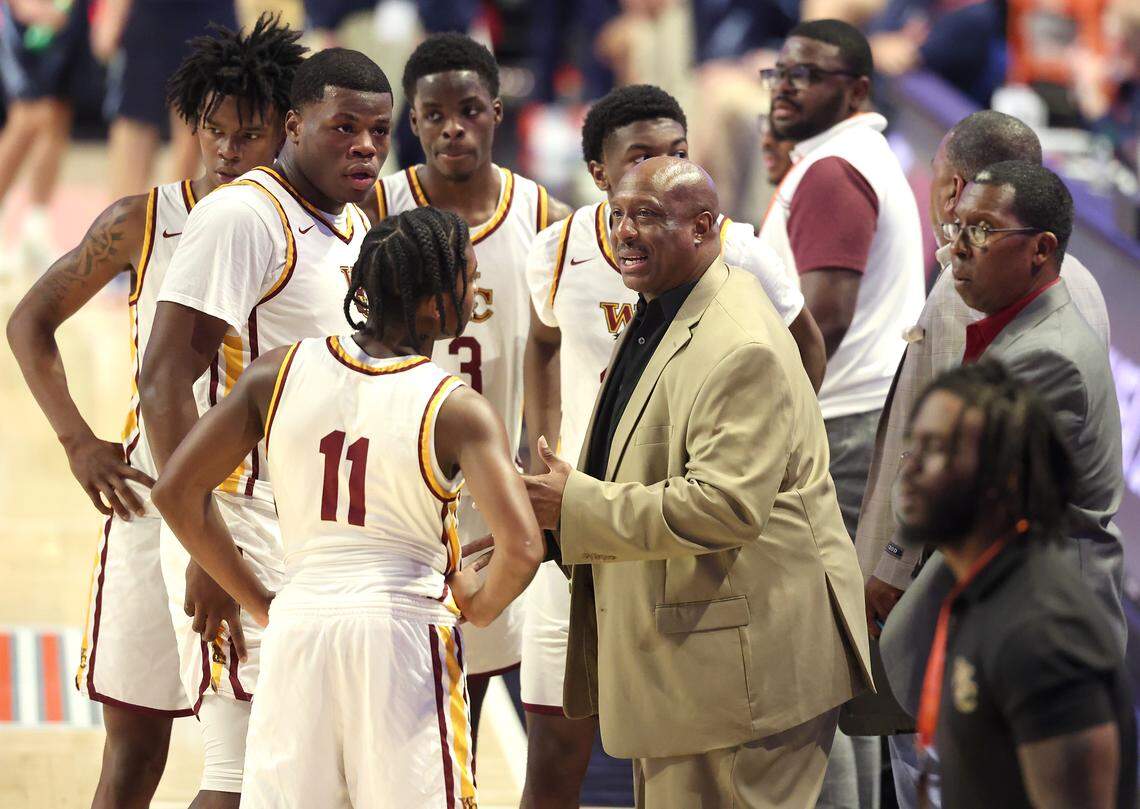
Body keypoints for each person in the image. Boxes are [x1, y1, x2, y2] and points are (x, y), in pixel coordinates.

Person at [5, 15, 304, 808]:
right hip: (155, 507)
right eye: (216, 130)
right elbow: (28, 319)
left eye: (251, 133)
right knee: (133, 757)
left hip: (264, 509)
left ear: (285, 131)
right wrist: (76, 441)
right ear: (194, 122)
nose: (229, 149)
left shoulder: (311, 225)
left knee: (245, 765)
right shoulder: (144, 218)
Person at [152, 206, 545, 808]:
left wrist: (260, 602)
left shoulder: (275, 372)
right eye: (466, 274)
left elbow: (175, 492)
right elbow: (521, 548)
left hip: (299, 625)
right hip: (402, 633)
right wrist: (478, 606)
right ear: (433, 301)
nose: (474, 287)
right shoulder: (456, 408)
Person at [521, 155, 872, 808]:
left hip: (742, 676)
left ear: (705, 227)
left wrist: (576, 505)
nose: (624, 231)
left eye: (648, 216)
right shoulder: (666, 305)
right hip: (697, 668)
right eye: (618, 215)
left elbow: (724, 505)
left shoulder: (739, 343)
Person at [139, 48, 392, 807]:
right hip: (238, 518)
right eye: (342, 126)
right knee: (242, 773)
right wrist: (205, 548)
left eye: (378, 131)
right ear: (293, 124)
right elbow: (162, 378)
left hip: (313, 526)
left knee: (303, 772)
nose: (365, 146)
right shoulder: (245, 215)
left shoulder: (350, 222)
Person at [851, 108, 1112, 808]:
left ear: (1040, 249)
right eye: (961, 225)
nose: (956, 247)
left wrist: (893, 572)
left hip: (1021, 632)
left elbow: (967, 495)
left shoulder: (1043, 351)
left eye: (980, 230)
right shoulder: (1019, 299)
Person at [361, 32, 572, 748]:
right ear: (411, 123)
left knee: (470, 714)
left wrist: (547, 457)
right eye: (435, 114)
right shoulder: (375, 207)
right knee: (394, 715)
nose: (453, 126)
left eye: (470, 109)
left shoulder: (544, 218)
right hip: (394, 490)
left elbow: (556, 353)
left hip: (491, 495)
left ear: (497, 112)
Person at [757, 19, 926, 807]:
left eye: (808, 74)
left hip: (838, 432)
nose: (786, 85)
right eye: (780, 72)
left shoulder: (832, 170)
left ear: (855, 90)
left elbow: (821, 319)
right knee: (834, 674)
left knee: (818, 674)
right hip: (855, 425)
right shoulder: (843, 161)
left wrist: (754, 424)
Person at [893, 360, 1136, 809]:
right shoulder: (981, 582)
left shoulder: (1045, 633)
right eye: (914, 446)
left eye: (938, 448)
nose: (912, 468)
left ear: (1002, 478)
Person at [94, 0, 239, 199]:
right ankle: (123, 215)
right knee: (136, 118)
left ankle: (171, 216)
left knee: (197, 122)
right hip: (152, 17)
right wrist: (112, 13)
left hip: (209, 15)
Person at [0, 0, 91, 277]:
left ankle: (35, 230)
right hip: (31, 20)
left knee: (56, 116)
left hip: (69, 15)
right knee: (27, 115)